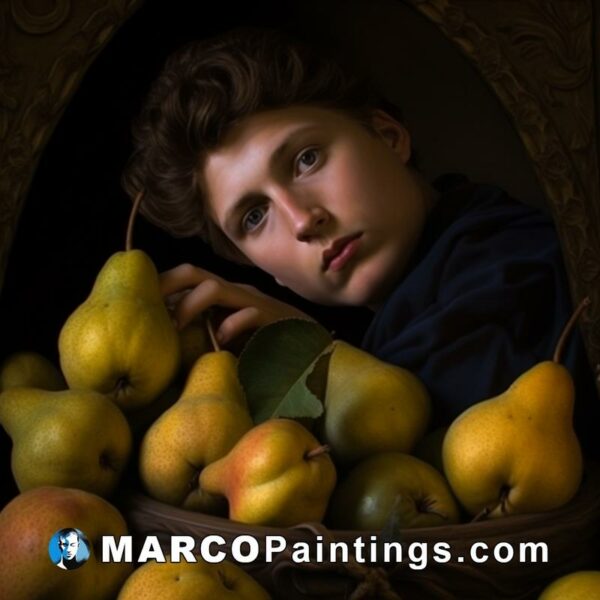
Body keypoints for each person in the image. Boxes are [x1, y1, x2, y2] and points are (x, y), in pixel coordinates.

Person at [122, 27, 599, 453]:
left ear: (388, 136)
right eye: (254, 216)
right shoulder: (398, 330)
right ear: (260, 269)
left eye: (306, 159)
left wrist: (316, 356)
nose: (302, 220)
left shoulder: (521, 268)